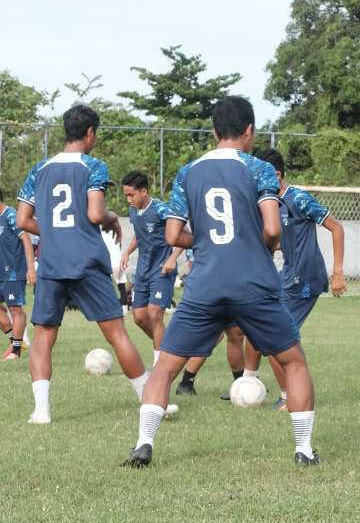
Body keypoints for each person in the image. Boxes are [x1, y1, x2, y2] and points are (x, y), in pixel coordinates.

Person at [123, 96, 319, 468]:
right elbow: (273, 229)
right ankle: (304, 450)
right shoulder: (259, 169)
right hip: (254, 282)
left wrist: (207, 241)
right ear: (250, 130)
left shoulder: (188, 172)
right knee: (293, 361)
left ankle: (144, 442)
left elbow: (171, 235)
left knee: (165, 366)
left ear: (213, 131)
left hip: (205, 283)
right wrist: (260, 245)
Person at [16, 104, 162, 425]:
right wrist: (111, 217)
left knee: (43, 335)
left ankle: (41, 411)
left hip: (52, 263)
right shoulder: (93, 166)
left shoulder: (39, 169)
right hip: (86, 261)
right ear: (90, 132)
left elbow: (22, 220)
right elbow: (96, 214)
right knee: (116, 334)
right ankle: (148, 400)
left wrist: (54, 233)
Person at [238, 148, 346, 410]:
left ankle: (291, 397)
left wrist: (338, 272)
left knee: (276, 340)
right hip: (287, 277)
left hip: (306, 278)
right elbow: (281, 240)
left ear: (276, 174)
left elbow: (336, 227)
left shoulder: (298, 198)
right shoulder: (269, 203)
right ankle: (276, 391)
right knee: (264, 333)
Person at [118, 170, 183, 366]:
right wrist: (127, 252)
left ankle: (160, 364)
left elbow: (183, 233)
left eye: (132, 194)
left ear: (144, 191)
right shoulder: (133, 211)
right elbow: (140, 234)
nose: (129, 199)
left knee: (155, 313)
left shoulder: (162, 210)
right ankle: (167, 347)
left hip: (162, 269)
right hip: (143, 271)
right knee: (139, 318)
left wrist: (173, 258)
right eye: (126, 195)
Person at [0, 184, 36, 361]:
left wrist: (31, 268)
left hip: (14, 271)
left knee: (15, 309)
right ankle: (15, 340)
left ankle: (16, 350)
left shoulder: (11, 216)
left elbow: (26, 239)